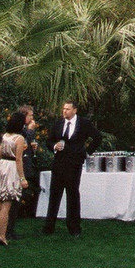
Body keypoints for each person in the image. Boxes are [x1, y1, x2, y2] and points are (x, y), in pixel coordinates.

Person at [42, 99, 101, 238]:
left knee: (73, 194)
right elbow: (49, 141)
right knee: (55, 194)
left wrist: (86, 153)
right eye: (63, 109)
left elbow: (97, 137)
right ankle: (49, 226)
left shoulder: (84, 123)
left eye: (67, 109)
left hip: (74, 164)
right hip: (58, 163)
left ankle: (74, 227)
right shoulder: (58, 123)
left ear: (75, 110)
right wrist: (54, 146)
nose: (64, 111)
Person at [0, 110, 29, 245]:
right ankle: (2, 236)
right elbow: (19, 160)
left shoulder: (5, 136)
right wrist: (23, 178)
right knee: (6, 204)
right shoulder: (19, 139)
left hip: (1, 167)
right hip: (11, 168)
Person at [6, 105, 38, 240]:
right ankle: (8, 230)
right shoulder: (20, 131)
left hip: (25, 165)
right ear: (24, 116)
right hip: (18, 169)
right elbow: (21, 143)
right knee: (13, 200)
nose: (32, 118)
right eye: (30, 115)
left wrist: (33, 148)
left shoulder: (23, 131)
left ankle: (10, 229)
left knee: (17, 201)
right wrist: (30, 132)